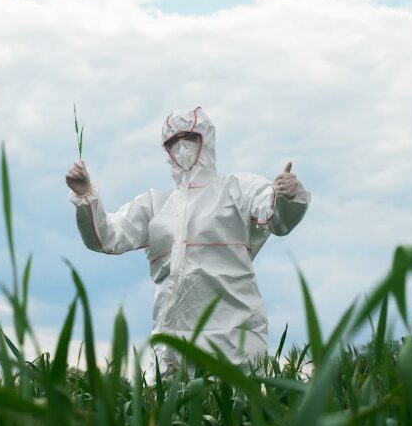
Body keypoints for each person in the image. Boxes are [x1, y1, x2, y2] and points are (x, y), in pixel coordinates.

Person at [65, 107, 310, 368]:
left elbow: (278, 219)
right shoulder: (155, 205)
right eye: (172, 142)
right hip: (172, 346)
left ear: (206, 139)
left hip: (234, 341)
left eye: (190, 138)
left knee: (232, 406)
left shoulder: (237, 189)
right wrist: (85, 196)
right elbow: (105, 238)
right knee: (177, 407)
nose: (181, 147)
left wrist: (288, 196)